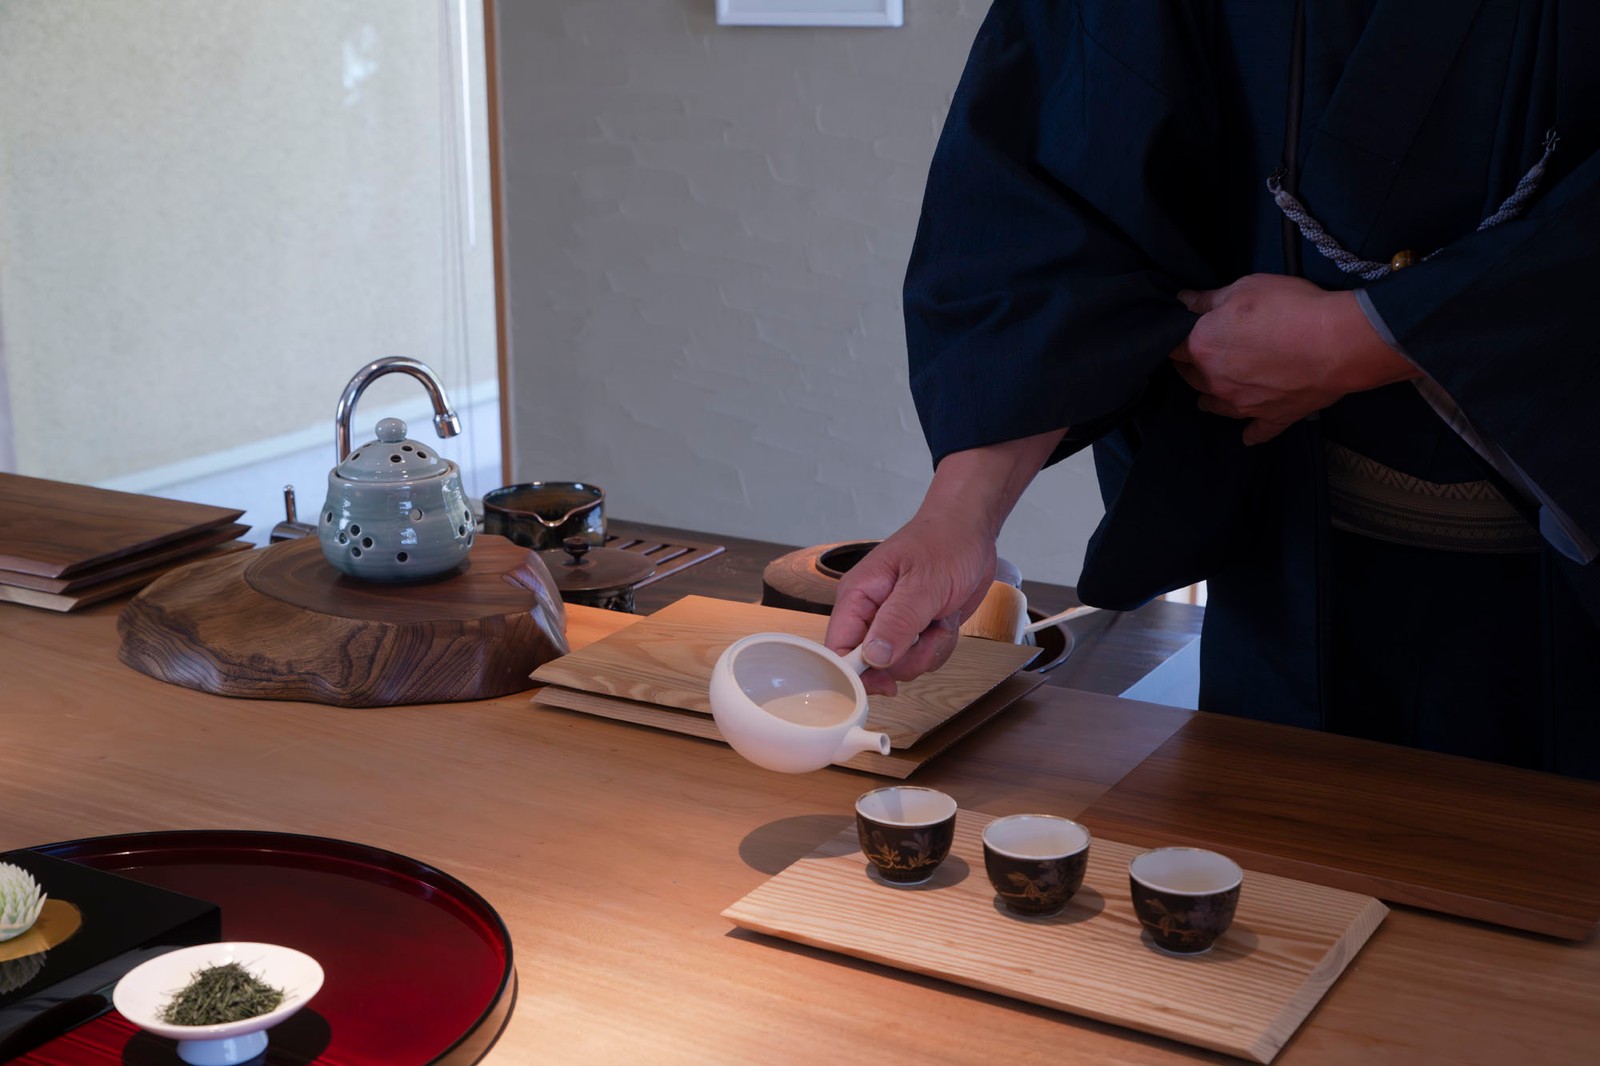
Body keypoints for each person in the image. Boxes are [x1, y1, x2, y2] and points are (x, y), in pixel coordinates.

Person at [823, 0, 1600, 779]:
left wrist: (1367, 334)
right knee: (1272, 862)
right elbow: (1063, 151)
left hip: (1569, 563)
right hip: (1288, 550)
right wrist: (959, 515)